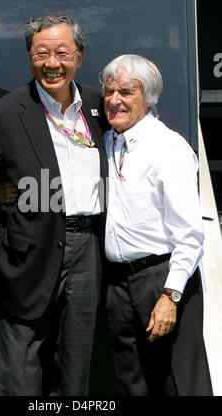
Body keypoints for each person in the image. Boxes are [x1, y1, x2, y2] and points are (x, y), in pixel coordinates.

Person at [0, 14, 108, 396]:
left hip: (89, 253)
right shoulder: (2, 115)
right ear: (30, 57)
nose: (52, 63)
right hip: (27, 252)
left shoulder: (101, 109)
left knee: (75, 376)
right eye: (41, 53)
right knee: (19, 377)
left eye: (62, 53)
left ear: (79, 56)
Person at [102, 54, 212, 395]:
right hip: (117, 283)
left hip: (162, 280)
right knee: (132, 383)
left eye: (126, 92)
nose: (115, 100)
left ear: (148, 98)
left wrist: (171, 295)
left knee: (181, 383)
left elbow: (190, 235)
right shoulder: (108, 141)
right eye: (109, 91)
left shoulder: (169, 149)